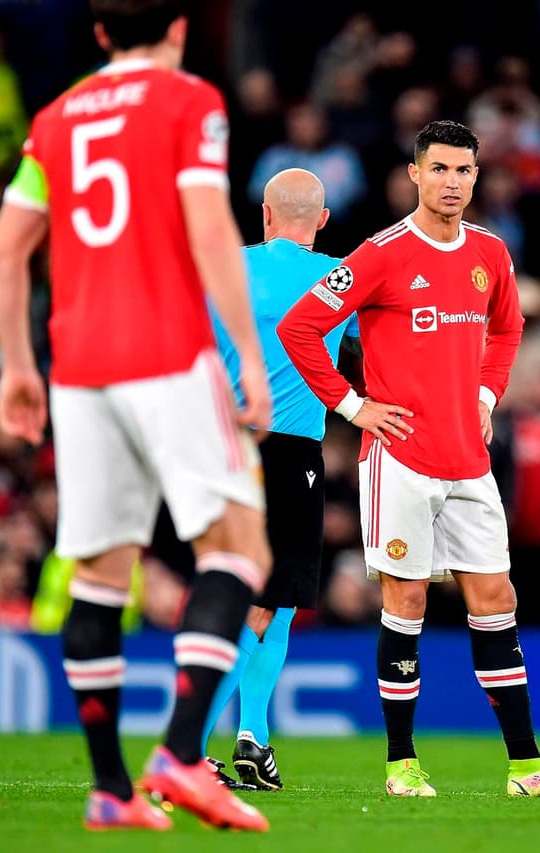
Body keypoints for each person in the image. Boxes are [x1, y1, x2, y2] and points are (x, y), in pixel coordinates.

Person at [0, 0, 271, 832]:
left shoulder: (55, 119)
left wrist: (15, 364)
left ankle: (110, 789)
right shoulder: (190, 102)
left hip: (78, 370)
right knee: (239, 546)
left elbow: (5, 250)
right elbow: (211, 229)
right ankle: (182, 754)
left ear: (101, 34)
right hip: (169, 355)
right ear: (178, 28)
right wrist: (248, 355)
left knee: (102, 574)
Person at [277, 119, 540, 800]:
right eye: (441, 169)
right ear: (414, 174)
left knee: (497, 600)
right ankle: (401, 764)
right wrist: (351, 406)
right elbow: (300, 326)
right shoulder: (382, 253)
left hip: (468, 460)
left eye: (464, 170)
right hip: (399, 458)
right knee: (406, 600)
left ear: (477, 177)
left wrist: (487, 391)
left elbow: (509, 327)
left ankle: (527, 767)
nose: (452, 182)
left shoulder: (491, 251)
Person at [200, 167, 360, 790]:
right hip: (293, 451)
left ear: (264, 213)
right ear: (322, 219)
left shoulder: (226, 267)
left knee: (265, 597)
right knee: (268, 603)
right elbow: (362, 352)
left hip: (226, 445)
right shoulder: (337, 277)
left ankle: (254, 739)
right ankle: (191, 747)